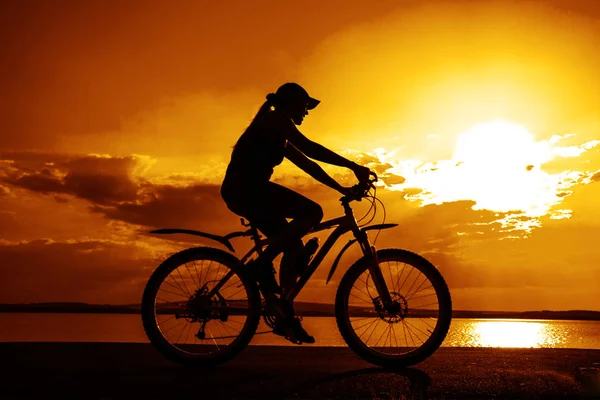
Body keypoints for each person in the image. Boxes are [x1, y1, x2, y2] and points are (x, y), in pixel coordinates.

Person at [220, 82, 371, 343]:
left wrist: (341, 187)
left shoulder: (279, 132)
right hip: (245, 190)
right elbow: (311, 148)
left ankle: (283, 312)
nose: (307, 112)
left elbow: (308, 164)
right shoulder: (276, 120)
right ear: (291, 103)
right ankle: (260, 265)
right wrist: (353, 165)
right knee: (312, 212)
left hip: (248, 192)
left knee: (292, 246)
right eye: (305, 106)